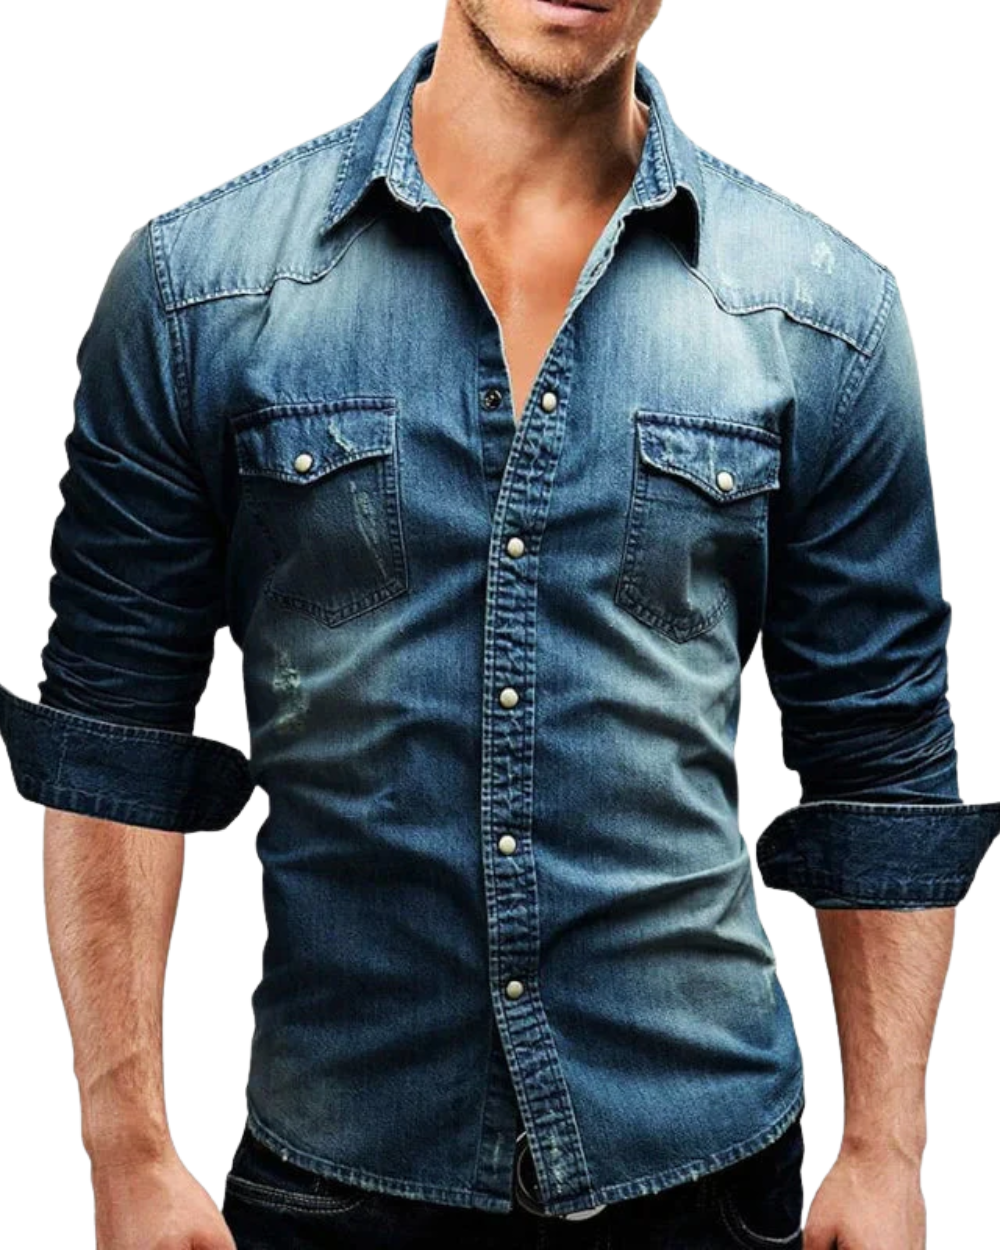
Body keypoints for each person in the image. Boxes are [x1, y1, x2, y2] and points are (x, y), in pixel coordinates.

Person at [1, 1, 998, 1247]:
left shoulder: (822, 316)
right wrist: (127, 1145)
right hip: (339, 1180)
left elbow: (880, 756)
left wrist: (886, 1147)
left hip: (705, 1179)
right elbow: (114, 736)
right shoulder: (197, 292)